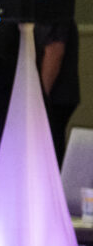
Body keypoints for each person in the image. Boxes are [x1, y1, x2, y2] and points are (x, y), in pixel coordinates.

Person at [35, 19, 80, 165]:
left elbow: (54, 50)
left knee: (48, 155)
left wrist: (39, 100)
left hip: (54, 96)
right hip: (57, 95)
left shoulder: (51, 3)